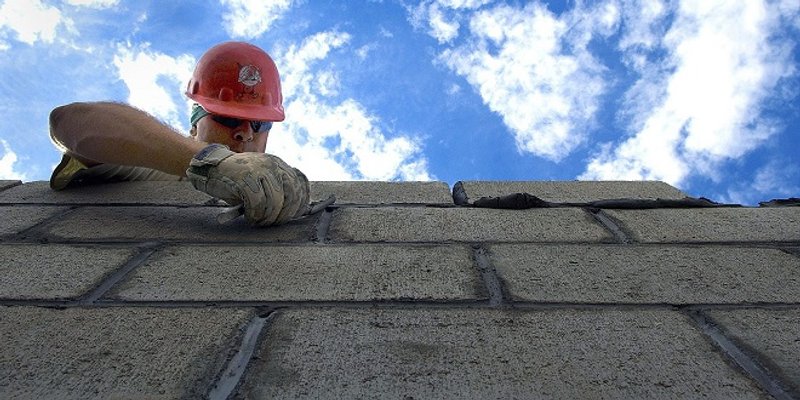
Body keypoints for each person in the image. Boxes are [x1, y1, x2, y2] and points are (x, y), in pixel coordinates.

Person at [48, 42, 309, 226]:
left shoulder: (279, 196)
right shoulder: (153, 167)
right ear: (195, 125)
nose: (245, 133)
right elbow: (68, 121)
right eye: (227, 118)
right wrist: (210, 162)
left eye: (260, 124)